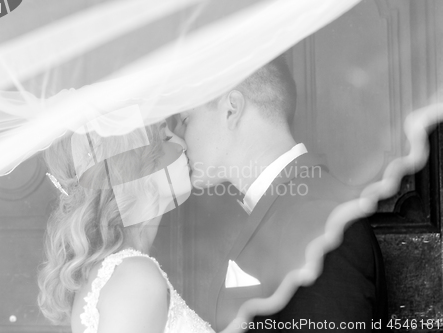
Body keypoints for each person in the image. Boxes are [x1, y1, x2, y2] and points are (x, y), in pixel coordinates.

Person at [173, 55, 388, 332]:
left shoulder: (317, 219)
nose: (178, 138)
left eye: (185, 120)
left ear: (232, 109)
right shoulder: (288, 207)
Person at [37, 120, 214, 333]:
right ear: (133, 169)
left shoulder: (116, 273)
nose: (182, 144)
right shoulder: (135, 277)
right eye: (165, 138)